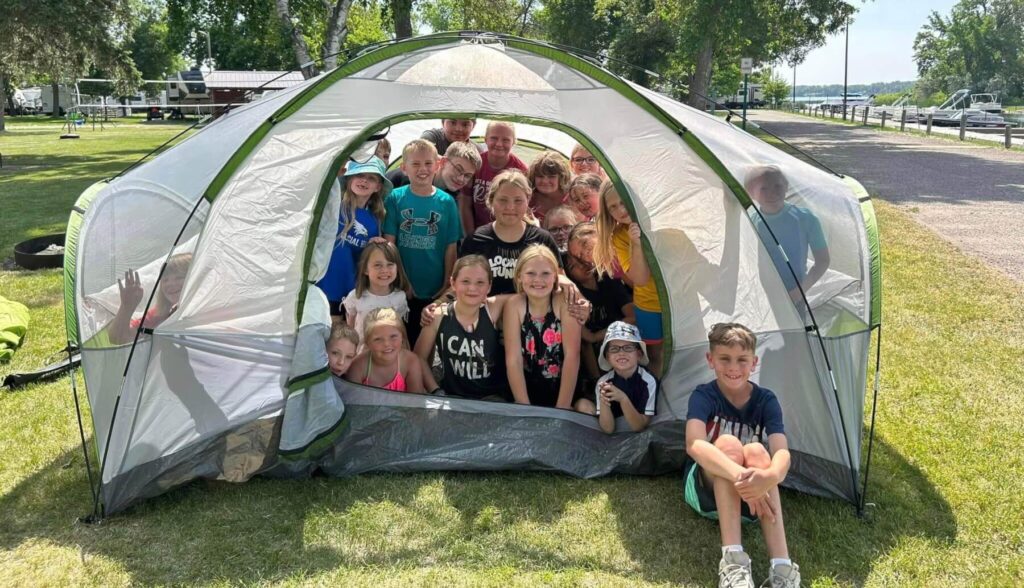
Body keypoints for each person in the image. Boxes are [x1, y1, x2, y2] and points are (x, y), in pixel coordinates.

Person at [684, 323, 800, 588]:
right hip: (706, 493)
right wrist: (740, 475)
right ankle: (733, 561)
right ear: (710, 359)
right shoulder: (703, 395)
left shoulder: (766, 400)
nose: (733, 367)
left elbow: (782, 451)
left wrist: (770, 476)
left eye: (742, 360)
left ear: (754, 362)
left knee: (758, 451)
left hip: (753, 502)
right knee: (727, 445)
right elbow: (694, 444)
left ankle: (782, 568)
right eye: (724, 358)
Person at [384, 139, 463, 345]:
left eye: (428, 163)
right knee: (400, 341)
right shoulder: (394, 198)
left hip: (434, 287)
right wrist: (402, 281)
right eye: (416, 164)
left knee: (426, 343)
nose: (423, 169)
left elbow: (451, 247)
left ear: (438, 165)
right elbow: (390, 245)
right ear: (404, 168)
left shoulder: (447, 202)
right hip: (402, 287)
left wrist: (447, 283)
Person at [414, 255, 513, 401]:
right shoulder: (438, 316)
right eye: (465, 281)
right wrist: (435, 390)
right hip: (452, 397)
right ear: (453, 283)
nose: (472, 288)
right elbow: (419, 357)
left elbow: (527, 296)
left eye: (480, 282)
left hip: (492, 398)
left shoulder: (493, 308)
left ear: (489, 286)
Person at [593, 180, 663, 376]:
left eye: (623, 202)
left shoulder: (659, 221)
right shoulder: (620, 235)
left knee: (683, 350)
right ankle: (656, 391)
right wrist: (636, 244)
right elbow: (640, 278)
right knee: (655, 356)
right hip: (649, 305)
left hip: (680, 301)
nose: (621, 210)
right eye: (613, 207)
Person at [459, 170, 561, 296]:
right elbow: (460, 283)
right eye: (503, 200)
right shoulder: (476, 240)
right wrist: (440, 302)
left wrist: (566, 282)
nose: (510, 207)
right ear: (491, 201)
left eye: (518, 200)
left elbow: (559, 280)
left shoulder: (542, 239)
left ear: (528, 201)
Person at [503, 245, 581, 409]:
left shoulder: (564, 302)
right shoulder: (514, 305)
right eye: (530, 273)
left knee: (586, 409)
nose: (538, 279)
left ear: (555, 277)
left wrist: (562, 408)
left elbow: (572, 355)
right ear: (519, 277)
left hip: (564, 390)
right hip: (526, 390)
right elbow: (513, 359)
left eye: (545, 273)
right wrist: (524, 406)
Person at [317, 157, 391, 325]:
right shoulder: (334, 205)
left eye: (371, 178)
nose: (364, 180)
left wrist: (374, 246)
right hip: (323, 284)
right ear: (349, 179)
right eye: (359, 175)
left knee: (342, 333)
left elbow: (364, 259)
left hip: (349, 291)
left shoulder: (375, 220)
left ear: (378, 186)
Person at [745, 165, 829, 301]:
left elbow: (823, 260)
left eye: (777, 186)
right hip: (761, 296)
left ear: (786, 187)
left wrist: (800, 291)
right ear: (751, 193)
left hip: (794, 296)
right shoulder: (751, 223)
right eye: (763, 188)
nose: (772, 193)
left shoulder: (806, 218)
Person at [565, 222, 634, 384]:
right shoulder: (574, 294)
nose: (583, 263)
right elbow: (585, 339)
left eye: (584, 244)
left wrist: (597, 336)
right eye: (575, 263)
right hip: (598, 357)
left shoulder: (608, 277)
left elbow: (633, 316)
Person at [575, 322, 656, 434]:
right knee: (582, 404)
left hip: (635, 425)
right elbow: (608, 429)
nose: (621, 353)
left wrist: (623, 399)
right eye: (614, 349)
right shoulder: (604, 382)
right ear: (607, 357)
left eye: (628, 348)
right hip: (613, 426)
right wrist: (604, 401)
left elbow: (639, 427)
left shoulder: (648, 381)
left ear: (639, 354)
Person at [108, 252, 193, 345]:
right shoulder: (159, 314)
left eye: (179, 277)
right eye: (165, 280)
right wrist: (126, 307)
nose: (170, 284)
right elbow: (117, 339)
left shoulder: (204, 307)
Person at [461, 121, 528, 234]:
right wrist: (471, 236)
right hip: (477, 231)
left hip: (508, 232)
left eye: (506, 140)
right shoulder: (475, 164)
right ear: (485, 139)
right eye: (494, 138)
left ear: (513, 142)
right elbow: (465, 203)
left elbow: (523, 209)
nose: (499, 144)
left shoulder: (522, 171)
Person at [342, 242, 411, 345]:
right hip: (361, 351)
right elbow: (350, 330)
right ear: (365, 269)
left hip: (388, 350)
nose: (384, 270)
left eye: (390, 264)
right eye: (378, 265)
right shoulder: (356, 296)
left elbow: (400, 329)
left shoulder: (400, 297)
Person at [345, 307, 426, 393]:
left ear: (402, 337)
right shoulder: (357, 366)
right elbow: (352, 398)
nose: (387, 344)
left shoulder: (410, 361)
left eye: (393, 336)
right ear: (368, 343)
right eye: (378, 339)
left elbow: (416, 398)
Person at [388, 141, 482, 199]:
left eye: (467, 175)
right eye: (458, 169)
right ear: (443, 162)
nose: (461, 179)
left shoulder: (452, 197)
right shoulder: (408, 177)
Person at [526, 150, 571, 224]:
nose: (545, 181)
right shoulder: (528, 198)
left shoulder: (571, 198)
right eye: (540, 176)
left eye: (551, 176)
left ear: (561, 177)